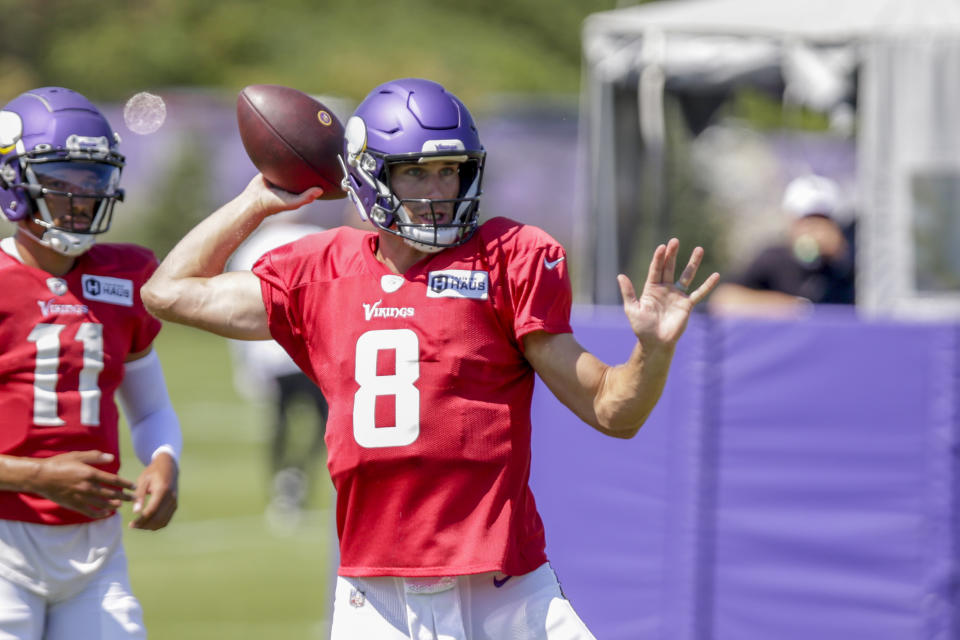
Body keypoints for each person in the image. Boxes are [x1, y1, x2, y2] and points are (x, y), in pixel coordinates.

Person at [142, 78, 717, 640]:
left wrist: (653, 350)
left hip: (506, 592)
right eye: (415, 171)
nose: (438, 190)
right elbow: (166, 291)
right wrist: (256, 201)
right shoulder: (321, 269)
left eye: (450, 171)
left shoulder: (507, 258)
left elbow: (613, 410)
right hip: (377, 600)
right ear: (370, 176)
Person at [0, 87, 182, 639]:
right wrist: (33, 475)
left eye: (93, 178)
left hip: (96, 549)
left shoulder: (126, 275)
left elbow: (151, 408)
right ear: (15, 185)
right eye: (62, 179)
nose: (81, 197)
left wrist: (165, 461)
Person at [226, 215, 329, 531]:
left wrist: (243, 363)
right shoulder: (319, 236)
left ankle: (285, 482)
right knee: (324, 424)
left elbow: (233, 308)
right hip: (311, 352)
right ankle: (293, 478)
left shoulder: (253, 246)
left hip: (271, 353)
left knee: (282, 422)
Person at [708, 173, 855, 315]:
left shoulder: (848, 265)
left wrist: (841, 255)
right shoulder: (774, 260)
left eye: (822, 220)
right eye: (807, 219)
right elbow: (724, 300)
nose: (814, 229)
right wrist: (797, 308)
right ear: (792, 221)